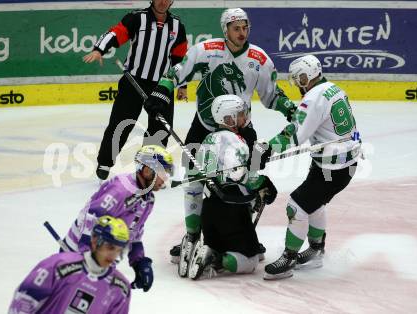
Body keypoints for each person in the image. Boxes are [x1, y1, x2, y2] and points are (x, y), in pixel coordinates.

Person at [143, 7, 296, 263]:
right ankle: (192, 236)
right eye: (236, 28)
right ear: (225, 30)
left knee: (243, 181)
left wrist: (291, 110)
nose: (242, 33)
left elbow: (272, 95)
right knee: (194, 181)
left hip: (240, 129)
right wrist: (161, 92)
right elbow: (177, 72)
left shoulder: (259, 59)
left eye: (245, 27)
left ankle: (243, 236)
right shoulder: (206, 51)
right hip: (203, 126)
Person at [262, 55, 362, 280]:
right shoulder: (333, 88)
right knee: (313, 204)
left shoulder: (313, 97)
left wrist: (267, 148)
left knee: (296, 206)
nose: (298, 84)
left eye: (299, 79)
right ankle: (316, 250)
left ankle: (288, 259)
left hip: (333, 169)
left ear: (306, 77)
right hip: (339, 163)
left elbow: (295, 135)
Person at [83, 0, 187, 180]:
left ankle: (150, 168)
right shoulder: (137, 18)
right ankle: (105, 162)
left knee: (160, 130)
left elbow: (179, 57)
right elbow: (115, 33)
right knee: (120, 124)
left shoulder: (177, 25)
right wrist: (99, 49)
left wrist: (182, 84)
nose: (163, 2)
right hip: (133, 82)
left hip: (162, 85)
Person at [180, 94, 278, 279]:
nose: (244, 117)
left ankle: (210, 247)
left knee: (240, 247)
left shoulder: (208, 140)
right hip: (231, 212)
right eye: (240, 114)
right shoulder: (236, 141)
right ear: (228, 118)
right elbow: (237, 174)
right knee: (250, 261)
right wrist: (262, 183)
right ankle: (215, 258)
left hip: (208, 214)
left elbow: (194, 180)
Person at [62, 145, 174, 291]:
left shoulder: (148, 200)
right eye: (163, 173)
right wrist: (85, 255)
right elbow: (92, 216)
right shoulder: (120, 189)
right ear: (147, 171)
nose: (165, 179)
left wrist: (139, 263)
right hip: (77, 254)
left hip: (104, 259)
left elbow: (135, 233)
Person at [9, 215, 132, 313]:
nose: (114, 255)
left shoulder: (121, 288)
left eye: (119, 250)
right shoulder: (57, 266)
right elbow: (24, 300)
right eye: (110, 247)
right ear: (95, 241)